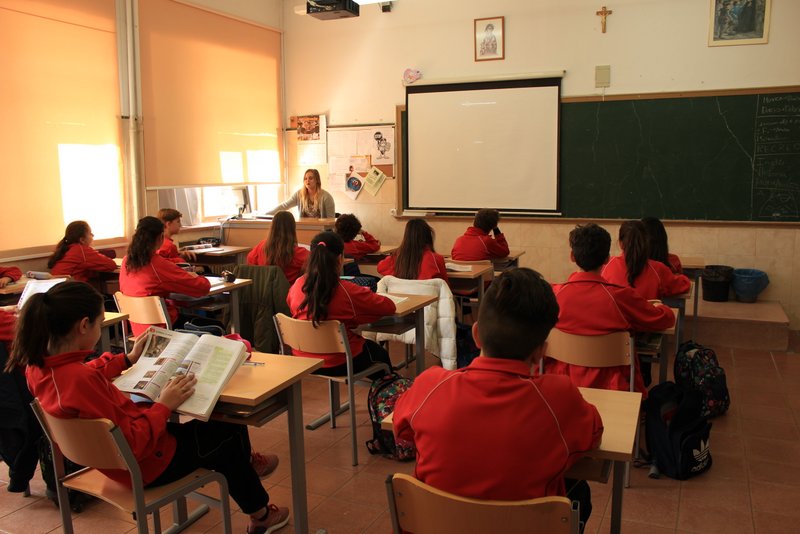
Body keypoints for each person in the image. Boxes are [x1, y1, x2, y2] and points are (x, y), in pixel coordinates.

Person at [8, 281, 289, 533]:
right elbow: (135, 443)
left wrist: (127, 359)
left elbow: (88, 374)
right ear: (84, 325)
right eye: (98, 323)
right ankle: (261, 513)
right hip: (142, 466)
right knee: (225, 431)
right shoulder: (80, 380)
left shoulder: (40, 368)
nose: (99, 328)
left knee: (212, 432)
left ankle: (246, 465)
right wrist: (164, 405)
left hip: (105, 463)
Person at [393, 268, 602, 527]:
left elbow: (401, 431)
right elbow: (593, 434)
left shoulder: (430, 385)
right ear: (541, 353)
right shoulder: (559, 397)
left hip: (438, 526)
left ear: (476, 334)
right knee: (578, 490)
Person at [544, 224, 675, 396]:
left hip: (562, 387)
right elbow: (665, 319)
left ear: (572, 256)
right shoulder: (621, 297)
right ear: (606, 258)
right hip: (614, 388)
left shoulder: (553, 295)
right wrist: (660, 306)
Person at [286, 231, 394, 376]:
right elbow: (388, 307)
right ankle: (387, 396)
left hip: (304, 359)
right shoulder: (347, 290)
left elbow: (292, 307)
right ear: (340, 258)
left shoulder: (297, 285)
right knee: (380, 355)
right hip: (340, 361)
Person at [119, 216, 211, 336]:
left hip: (137, 329)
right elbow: (202, 288)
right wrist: (194, 275)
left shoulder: (126, 261)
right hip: (163, 328)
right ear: (161, 237)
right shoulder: (157, 264)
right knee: (217, 326)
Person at [602, 220, 690, 300]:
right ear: (646, 242)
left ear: (621, 243)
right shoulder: (658, 269)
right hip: (648, 317)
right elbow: (684, 284)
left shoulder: (606, 267)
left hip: (616, 317)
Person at [246, 211, 309, 284]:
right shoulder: (300, 253)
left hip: (263, 293)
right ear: (292, 228)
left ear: (273, 227)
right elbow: (313, 266)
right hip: (287, 293)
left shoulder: (260, 247)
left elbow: (250, 262)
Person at [377, 219, 448, 283]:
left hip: (400, 296)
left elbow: (380, 268)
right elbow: (445, 285)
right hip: (428, 296)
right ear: (428, 236)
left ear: (406, 236)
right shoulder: (436, 258)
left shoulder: (397, 257)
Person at [47, 221, 117, 283]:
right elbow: (111, 265)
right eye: (90, 233)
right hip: (70, 291)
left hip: (57, 290)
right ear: (82, 240)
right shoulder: (81, 250)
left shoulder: (65, 249)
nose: (93, 235)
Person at [266, 169, 335, 218]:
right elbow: (284, 206)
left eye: (310, 178)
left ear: (317, 180)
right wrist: (267, 214)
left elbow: (331, 220)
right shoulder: (299, 194)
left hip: (322, 232)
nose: (307, 181)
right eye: (305, 178)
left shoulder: (326, 197)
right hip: (304, 229)